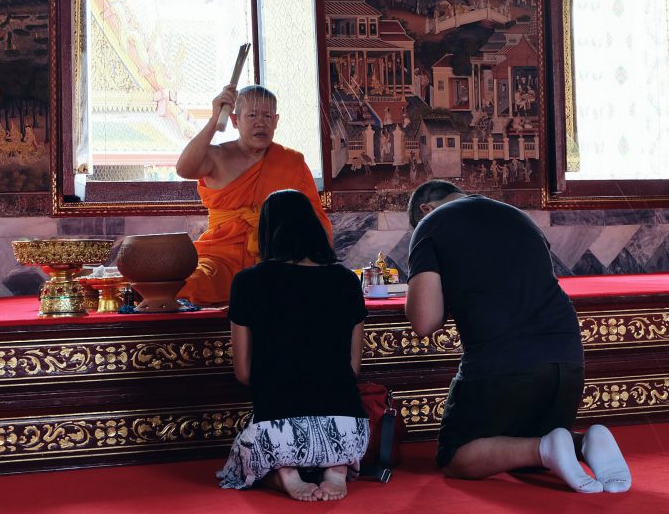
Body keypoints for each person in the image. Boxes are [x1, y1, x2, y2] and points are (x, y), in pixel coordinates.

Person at [404, 180, 631, 494]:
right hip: (566, 356)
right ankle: (584, 443)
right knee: (525, 438)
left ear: (425, 209)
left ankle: (546, 449)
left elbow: (424, 321)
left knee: (455, 455)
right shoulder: (517, 216)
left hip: (503, 360)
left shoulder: (431, 223)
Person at [217, 189, 369, 501]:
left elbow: (244, 373)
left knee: (238, 467)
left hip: (278, 428)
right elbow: (353, 367)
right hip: (348, 429)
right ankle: (336, 469)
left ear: (267, 231)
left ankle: (284, 473)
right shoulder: (346, 280)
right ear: (315, 227)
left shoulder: (248, 282)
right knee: (330, 434)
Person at [175, 85, 332, 305]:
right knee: (191, 283)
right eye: (252, 115)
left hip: (279, 257)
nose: (261, 122)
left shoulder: (291, 162)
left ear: (276, 121)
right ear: (235, 120)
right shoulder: (218, 156)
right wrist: (213, 120)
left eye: (267, 116)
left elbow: (315, 220)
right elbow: (184, 169)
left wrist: (323, 263)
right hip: (221, 256)